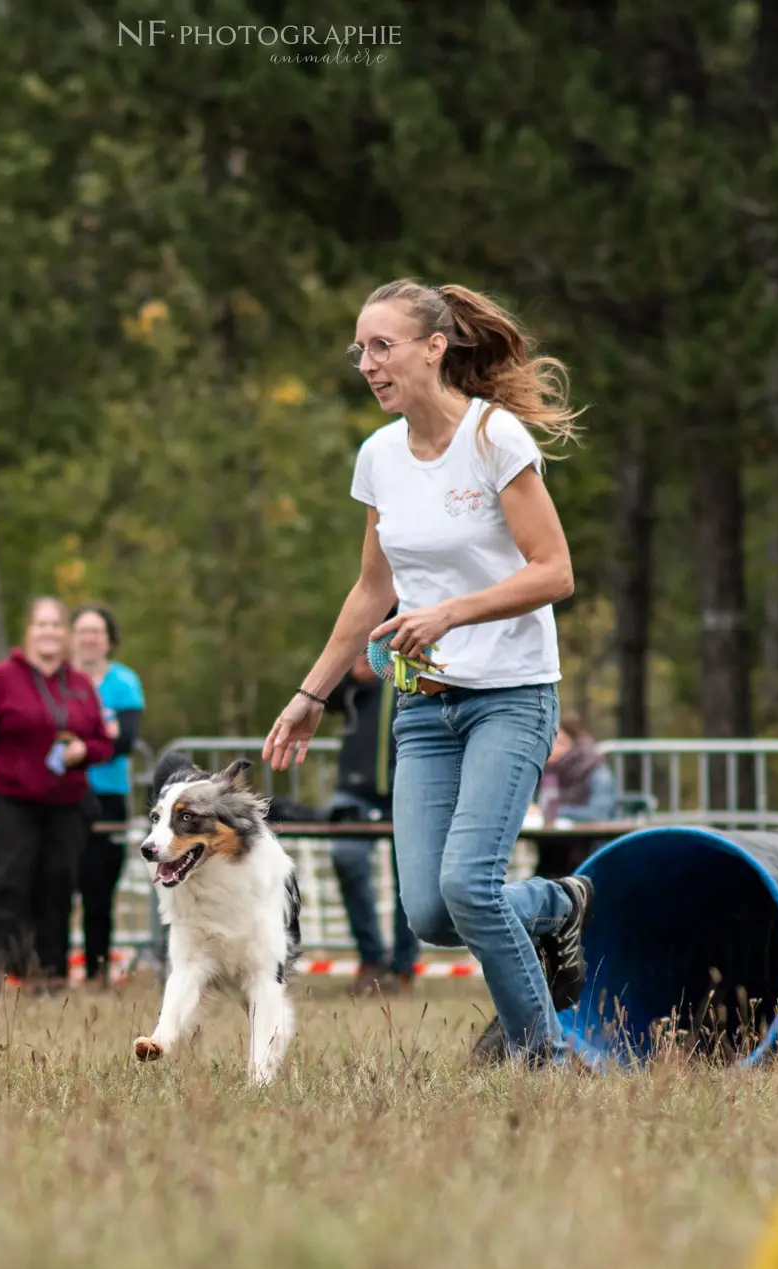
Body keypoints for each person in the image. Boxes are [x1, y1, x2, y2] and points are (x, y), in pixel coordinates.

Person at [261, 278, 595, 1068]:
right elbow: (373, 589)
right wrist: (312, 693)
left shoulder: (494, 439)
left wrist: (449, 612)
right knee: (431, 914)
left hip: (509, 698)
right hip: (423, 710)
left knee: (471, 888)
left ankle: (540, 1056)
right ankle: (559, 902)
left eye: (383, 346)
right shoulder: (378, 456)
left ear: (434, 348)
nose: (367, 364)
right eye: (360, 350)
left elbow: (554, 572)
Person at [0, 595, 115, 993]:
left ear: (66, 635)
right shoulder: (0, 680)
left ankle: (49, 973)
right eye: (41, 624)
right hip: (9, 799)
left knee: (57, 888)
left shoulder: (79, 685)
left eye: (56, 625)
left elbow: (102, 742)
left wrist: (83, 751)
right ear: (29, 632)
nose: (49, 632)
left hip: (65, 804)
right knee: (5, 885)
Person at [325, 639, 417, 996]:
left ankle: (403, 968)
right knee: (346, 857)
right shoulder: (363, 640)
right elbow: (323, 696)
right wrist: (351, 677)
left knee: (409, 879)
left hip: (408, 786)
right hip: (354, 788)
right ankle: (371, 960)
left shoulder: (424, 635)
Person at [69, 603, 145, 986]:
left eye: (96, 631)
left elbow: (125, 741)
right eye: (82, 630)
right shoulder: (58, 680)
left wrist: (80, 744)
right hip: (62, 794)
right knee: (57, 883)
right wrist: (100, 737)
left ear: (108, 639)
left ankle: (96, 971)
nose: (89, 638)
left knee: (99, 890)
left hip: (108, 794)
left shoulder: (124, 682)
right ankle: (45, 969)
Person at [533, 713, 618, 881]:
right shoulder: (544, 770)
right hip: (550, 854)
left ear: (574, 742)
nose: (552, 748)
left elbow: (599, 813)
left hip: (590, 853)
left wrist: (555, 812)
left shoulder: (595, 769)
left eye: (559, 741)